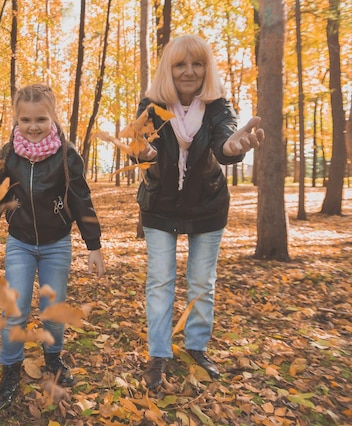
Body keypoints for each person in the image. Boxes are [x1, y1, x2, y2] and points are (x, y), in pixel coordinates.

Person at [133, 35, 264, 389]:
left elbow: (226, 142)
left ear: (206, 68)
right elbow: (139, 144)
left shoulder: (219, 106)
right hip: (160, 205)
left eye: (197, 63)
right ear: (168, 69)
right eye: (180, 64)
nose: (189, 71)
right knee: (160, 281)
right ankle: (158, 354)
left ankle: (196, 347)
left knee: (202, 283)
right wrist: (141, 152)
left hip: (207, 206)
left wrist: (233, 146)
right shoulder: (151, 105)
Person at [0, 83, 105, 413]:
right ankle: (10, 370)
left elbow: (81, 199)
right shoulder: (9, 154)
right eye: (26, 120)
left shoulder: (66, 155)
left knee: (53, 307)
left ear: (53, 117)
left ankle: (53, 358)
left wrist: (94, 245)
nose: (33, 126)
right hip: (19, 243)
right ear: (16, 119)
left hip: (55, 244)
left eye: (41, 119)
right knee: (13, 309)